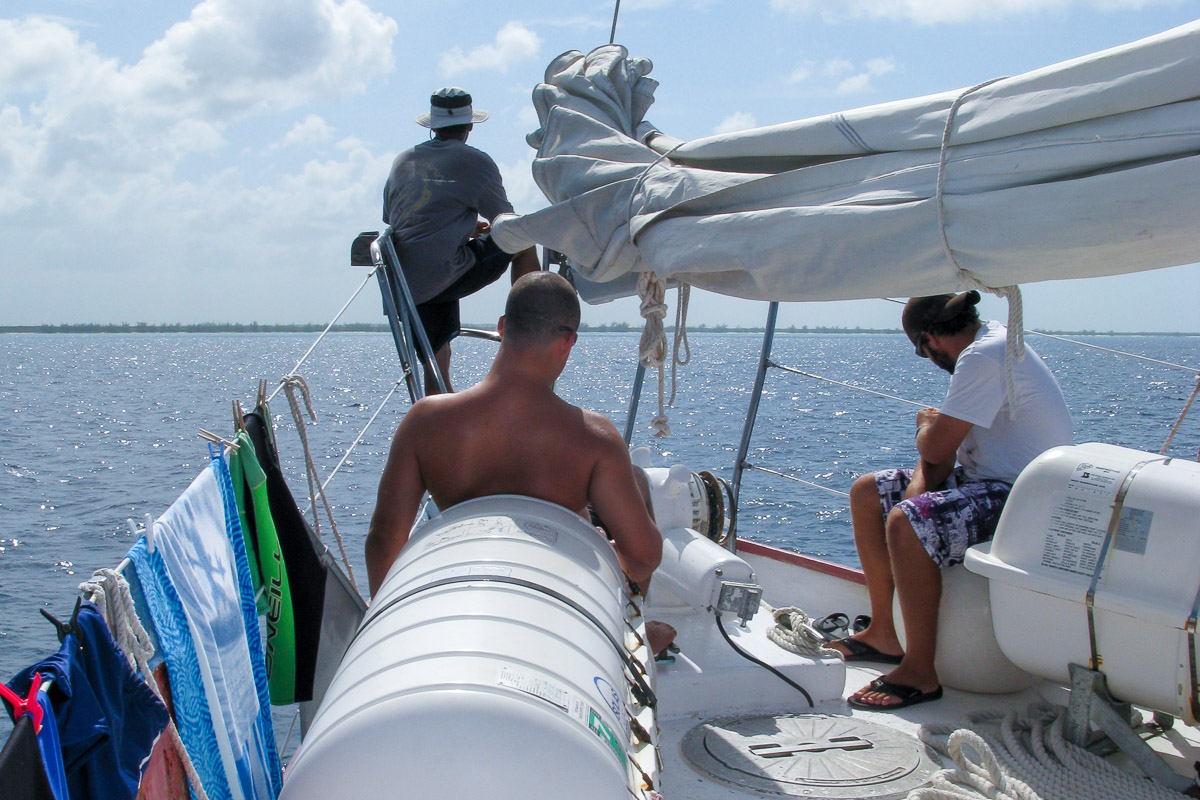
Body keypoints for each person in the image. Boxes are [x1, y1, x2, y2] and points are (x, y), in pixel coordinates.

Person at [826, 291, 1073, 710]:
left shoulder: (982, 357)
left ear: (930, 341)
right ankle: (885, 632)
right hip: (986, 481)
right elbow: (938, 462)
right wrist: (931, 457)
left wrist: (925, 427)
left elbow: (936, 450)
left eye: (922, 354)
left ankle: (920, 671)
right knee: (868, 492)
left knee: (907, 521)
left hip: (1023, 498)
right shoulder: (992, 343)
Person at [365, 272, 663, 607]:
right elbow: (643, 557)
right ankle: (636, 634)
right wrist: (608, 555)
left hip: (462, 574)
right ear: (568, 342)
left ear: (503, 326)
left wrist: (382, 612)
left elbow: (383, 540)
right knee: (637, 482)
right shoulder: (595, 438)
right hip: (555, 593)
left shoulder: (425, 421)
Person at [383, 86, 540, 394]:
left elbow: (406, 221)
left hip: (405, 282)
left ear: (432, 126)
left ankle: (441, 432)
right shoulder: (476, 162)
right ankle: (530, 326)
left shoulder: (402, 161)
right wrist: (480, 229)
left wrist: (465, 230)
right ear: (470, 126)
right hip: (444, 273)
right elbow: (506, 224)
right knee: (523, 240)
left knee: (436, 365)